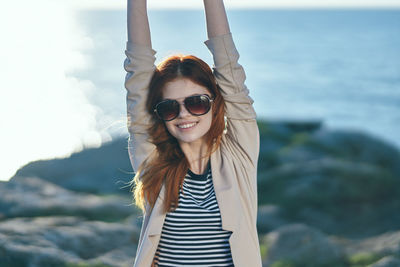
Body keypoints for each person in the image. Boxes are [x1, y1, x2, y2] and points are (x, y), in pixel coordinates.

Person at [123, 0, 262, 266]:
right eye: (170, 108)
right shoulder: (153, 161)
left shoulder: (239, 155)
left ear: (214, 102)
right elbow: (138, 71)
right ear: (159, 114)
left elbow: (229, 68)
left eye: (196, 102)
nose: (184, 114)